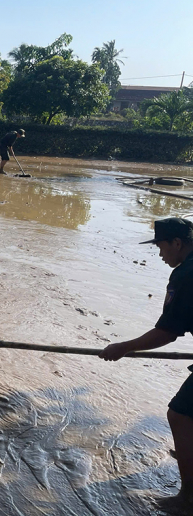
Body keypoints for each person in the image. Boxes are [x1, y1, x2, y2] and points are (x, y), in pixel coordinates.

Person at [100, 218, 193, 511]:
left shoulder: (186, 274)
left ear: (177, 243)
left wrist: (123, 347)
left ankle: (188, 499)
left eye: (162, 247)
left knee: (180, 415)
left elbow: (168, 331)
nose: (161, 255)